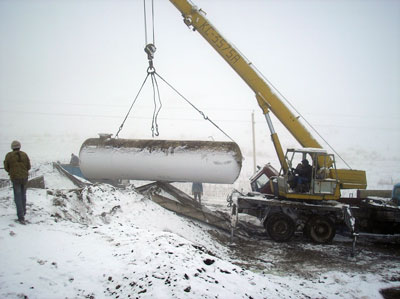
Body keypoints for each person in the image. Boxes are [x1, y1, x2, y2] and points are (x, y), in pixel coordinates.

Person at [4, 140, 31, 224]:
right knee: (23, 194)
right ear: (19, 146)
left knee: (17, 196)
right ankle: (23, 211)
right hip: (24, 177)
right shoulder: (24, 154)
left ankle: (20, 216)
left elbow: (6, 167)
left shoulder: (9, 155)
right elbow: (28, 166)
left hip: (15, 178)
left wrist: (11, 171)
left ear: (12, 147)